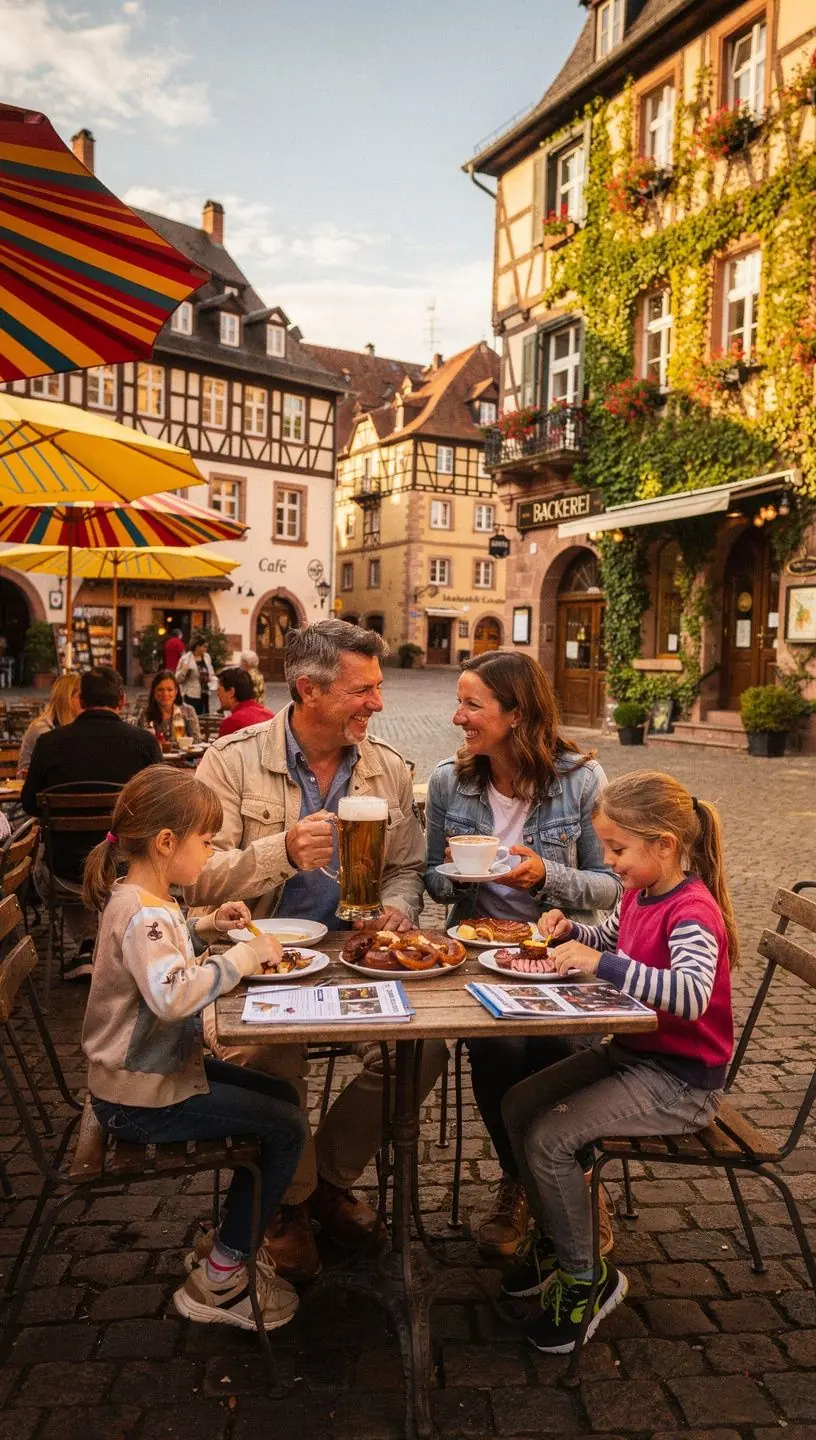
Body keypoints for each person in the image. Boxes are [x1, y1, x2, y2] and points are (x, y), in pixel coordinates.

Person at [187, 619, 445, 1280]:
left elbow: (409, 868)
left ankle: (326, 1180)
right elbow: (194, 878)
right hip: (262, 965)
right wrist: (279, 853)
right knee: (272, 1058)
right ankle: (290, 1206)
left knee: (423, 1051)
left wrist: (398, 908)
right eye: (364, 690)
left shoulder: (386, 768)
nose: (379, 704)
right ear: (308, 688)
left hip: (355, 960)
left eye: (379, 689)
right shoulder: (232, 761)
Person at [500, 771, 736, 1354]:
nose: (609, 862)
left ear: (665, 844)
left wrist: (598, 965)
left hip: (681, 1082)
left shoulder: (693, 912)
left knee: (550, 1136)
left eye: (618, 850)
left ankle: (586, 1276)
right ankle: (559, 1238)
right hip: (636, 1055)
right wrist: (566, 932)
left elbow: (690, 995)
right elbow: (607, 938)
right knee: (518, 1104)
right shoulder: (640, 893)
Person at [82, 766, 306, 1331]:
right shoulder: (144, 913)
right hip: (139, 1097)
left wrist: (206, 927)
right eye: (206, 842)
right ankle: (223, 1275)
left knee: (280, 1097)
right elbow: (172, 995)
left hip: (153, 1077)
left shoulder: (146, 899)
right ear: (165, 843)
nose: (211, 854)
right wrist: (242, 960)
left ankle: (228, 1240)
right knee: (286, 1127)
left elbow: (166, 950)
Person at [424, 651, 619, 1256]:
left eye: (471, 704)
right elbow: (433, 878)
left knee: (556, 1047)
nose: (458, 717)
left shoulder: (582, 780)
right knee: (499, 1047)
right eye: (458, 702)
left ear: (516, 712)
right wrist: (459, 875)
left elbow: (613, 884)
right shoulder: (448, 782)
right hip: (479, 958)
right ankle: (521, 1181)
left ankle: (581, 1186)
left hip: (563, 954)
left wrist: (543, 878)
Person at [21, 666, 162, 981]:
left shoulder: (49, 743)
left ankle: (88, 945)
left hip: (63, 874)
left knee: (69, 862)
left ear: (80, 701)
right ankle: (110, 948)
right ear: (122, 701)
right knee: (117, 860)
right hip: (127, 871)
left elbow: (29, 803)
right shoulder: (143, 743)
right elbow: (159, 805)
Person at [16, 672, 81, 778]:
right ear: (67, 698)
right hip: (39, 791)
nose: (85, 701)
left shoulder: (77, 725)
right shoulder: (42, 729)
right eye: (80, 696)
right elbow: (23, 774)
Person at [138, 671, 201, 744]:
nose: (165, 694)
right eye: (160, 690)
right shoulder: (145, 714)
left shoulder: (188, 711)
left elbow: (197, 741)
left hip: (184, 754)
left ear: (176, 692)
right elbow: (141, 743)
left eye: (170, 690)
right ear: (154, 692)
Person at [216, 665, 274, 737]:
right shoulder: (270, 716)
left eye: (219, 689)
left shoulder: (231, 723)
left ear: (231, 692)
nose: (217, 694)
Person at [175, 635, 215, 716]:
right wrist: (184, 670)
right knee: (193, 717)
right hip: (191, 694)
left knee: (204, 717)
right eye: (204, 647)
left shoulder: (207, 657)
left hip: (205, 693)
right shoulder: (186, 658)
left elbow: (211, 672)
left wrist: (212, 680)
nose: (206, 649)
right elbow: (177, 679)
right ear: (197, 646)